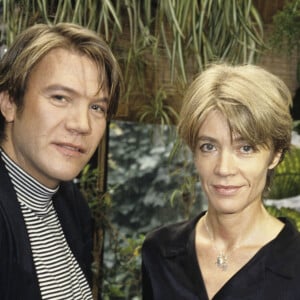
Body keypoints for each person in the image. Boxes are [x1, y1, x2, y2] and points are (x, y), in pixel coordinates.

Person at [142, 63, 300, 299]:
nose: (224, 168)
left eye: (245, 148)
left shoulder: (294, 262)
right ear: (194, 153)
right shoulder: (161, 251)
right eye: (209, 147)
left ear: (275, 155)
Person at [0, 22, 121, 299]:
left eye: (96, 107)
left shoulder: (70, 205)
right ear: (9, 102)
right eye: (60, 97)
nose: (81, 125)